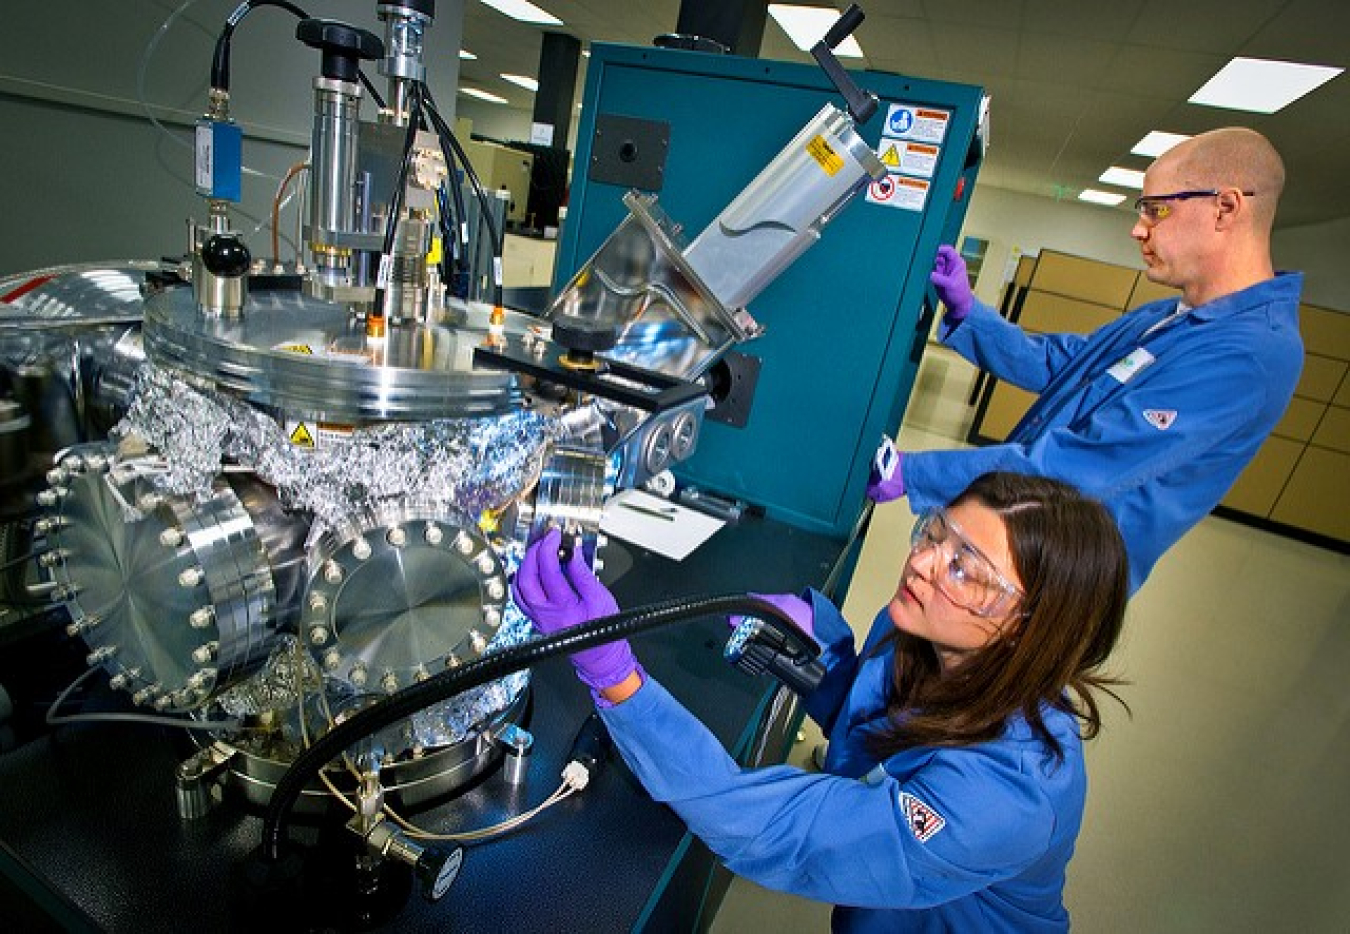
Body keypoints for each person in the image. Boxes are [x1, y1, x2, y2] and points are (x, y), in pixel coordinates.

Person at [513, 472, 1129, 933]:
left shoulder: (1007, 797)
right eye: (937, 533)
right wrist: (821, 655)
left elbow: (777, 829)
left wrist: (614, 675)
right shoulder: (933, 629)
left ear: (1028, 626)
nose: (922, 564)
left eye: (967, 569)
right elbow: (883, 728)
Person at [868, 127, 1303, 593]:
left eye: (1157, 210)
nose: (1139, 228)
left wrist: (915, 473)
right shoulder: (1174, 314)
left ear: (1226, 207)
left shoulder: (1251, 354)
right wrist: (970, 314)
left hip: (1047, 578)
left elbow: (1078, 466)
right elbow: (1065, 364)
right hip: (1005, 533)